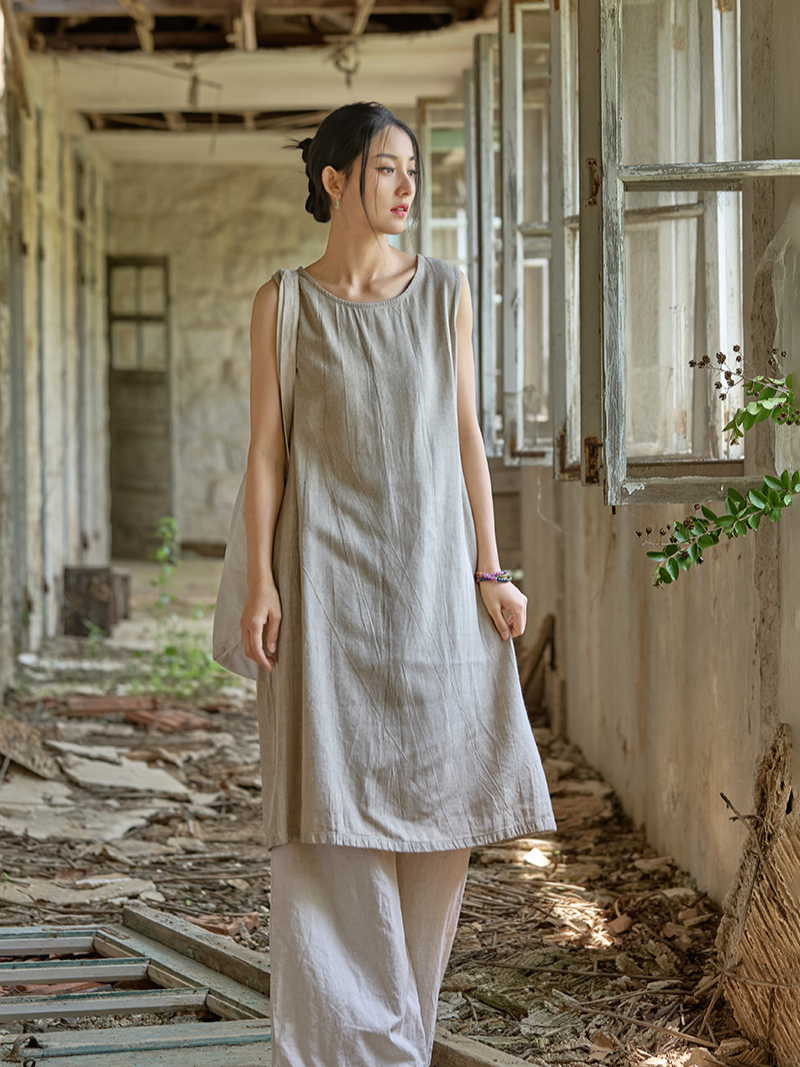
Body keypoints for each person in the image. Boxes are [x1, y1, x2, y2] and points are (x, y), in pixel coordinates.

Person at [238, 101, 555, 1067]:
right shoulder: (283, 304)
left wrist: (490, 567)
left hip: (430, 589)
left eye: (412, 169)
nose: (408, 186)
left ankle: (400, 1037)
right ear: (334, 181)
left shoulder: (445, 292)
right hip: (325, 588)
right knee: (327, 809)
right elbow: (266, 460)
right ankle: (343, 1043)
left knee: (441, 802)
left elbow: (467, 438)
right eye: (385, 169)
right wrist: (261, 581)